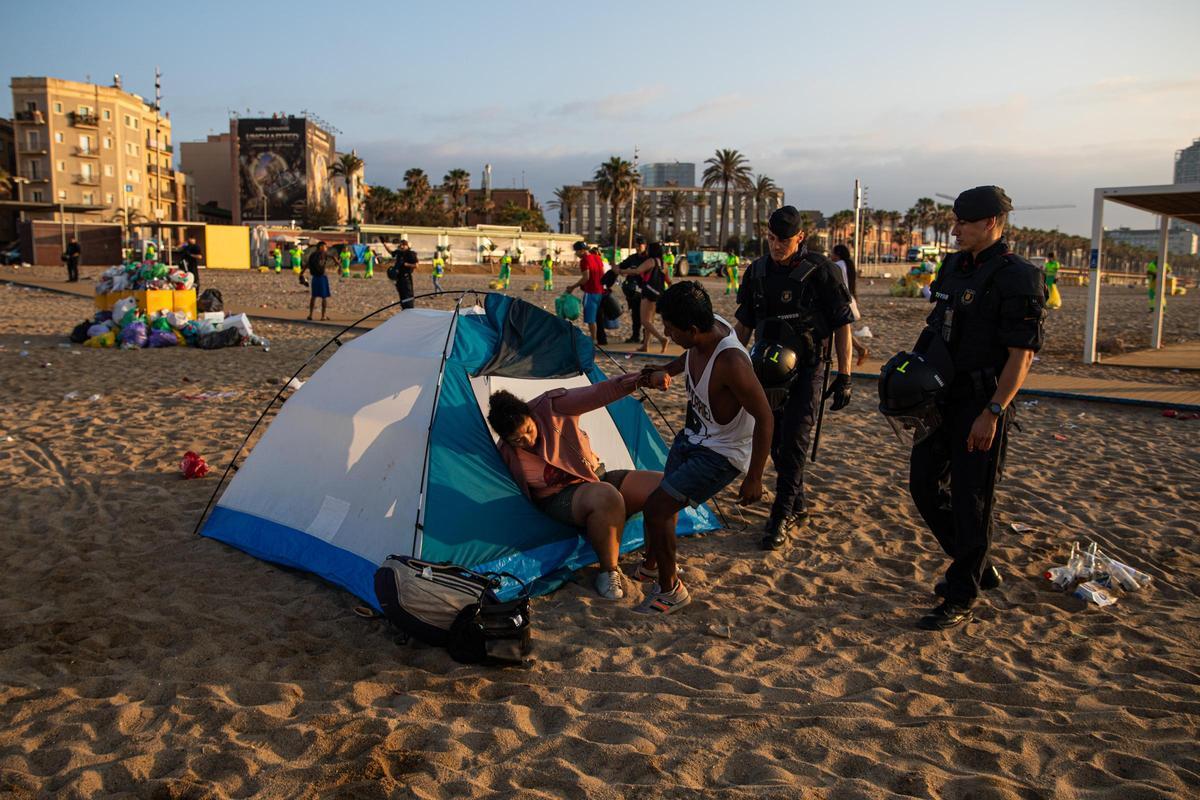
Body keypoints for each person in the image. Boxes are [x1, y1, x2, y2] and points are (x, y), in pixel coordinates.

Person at [900, 185, 1044, 631]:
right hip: (942, 398)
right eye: (955, 220)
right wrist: (909, 379)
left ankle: (961, 592)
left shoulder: (1018, 276)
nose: (955, 229)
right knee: (923, 485)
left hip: (983, 402)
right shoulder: (953, 266)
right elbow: (936, 329)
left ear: (992, 224)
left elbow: (1022, 355)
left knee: (972, 499)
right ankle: (976, 564)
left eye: (964, 222)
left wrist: (994, 412)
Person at [633, 281, 774, 615]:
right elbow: (689, 353)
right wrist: (666, 369)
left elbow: (766, 417)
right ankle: (653, 565)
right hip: (693, 436)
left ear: (693, 329)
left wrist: (755, 477)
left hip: (722, 454)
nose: (666, 333)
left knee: (657, 508)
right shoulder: (708, 330)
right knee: (663, 501)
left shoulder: (732, 363)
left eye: (670, 328)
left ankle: (671, 591)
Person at [734, 206, 855, 550]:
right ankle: (797, 502)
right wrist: (723, 360)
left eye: (783, 240)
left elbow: (842, 325)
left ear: (800, 237)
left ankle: (781, 515)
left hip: (809, 368)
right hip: (766, 371)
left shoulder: (821, 271)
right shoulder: (756, 272)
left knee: (795, 441)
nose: (776, 245)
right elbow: (742, 325)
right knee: (773, 441)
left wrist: (845, 375)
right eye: (771, 238)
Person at [488, 372, 670, 600]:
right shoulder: (504, 454)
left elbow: (598, 393)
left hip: (597, 476)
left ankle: (651, 564)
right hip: (560, 498)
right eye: (517, 440)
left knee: (665, 487)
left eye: (528, 429)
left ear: (530, 415)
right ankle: (608, 571)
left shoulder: (552, 407)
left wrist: (640, 380)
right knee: (605, 495)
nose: (527, 440)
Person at [622, 241, 670, 353]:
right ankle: (645, 346)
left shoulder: (651, 261)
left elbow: (637, 271)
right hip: (658, 293)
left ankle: (662, 339)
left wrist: (622, 271)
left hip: (648, 293)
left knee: (644, 321)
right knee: (650, 321)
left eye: (648, 249)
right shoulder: (664, 263)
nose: (647, 251)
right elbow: (668, 280)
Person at [832, 243, 869, 366]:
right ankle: (860, 349)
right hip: (848, 299)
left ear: (838, 254)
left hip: (841, 301)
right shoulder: (847, 264)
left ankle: (860, 349)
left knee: (839, 329)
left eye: (833, 253)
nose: (831, 256)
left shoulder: (838, 265)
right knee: (841, 329)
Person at [566, 241, 606, 341]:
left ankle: (593, 340)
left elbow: (586, 278)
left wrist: (572, 287)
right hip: (601, 291)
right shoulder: (597, 257)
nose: (576, 254)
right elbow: (602, 273)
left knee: (591, 318)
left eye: (577, 251)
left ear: (582, 251)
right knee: (597, 316)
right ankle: (599, 338)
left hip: (591, 291)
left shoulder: (584, 261)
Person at [617, 237, 648, 343]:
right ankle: (635, 336)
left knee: (645, 317)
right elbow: (620, 266)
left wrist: (628, 271)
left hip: (645, 291)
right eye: (636, 245)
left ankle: (646, 338)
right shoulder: (632, 258)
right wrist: (620, 269)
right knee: (635, 315)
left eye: (640, 245)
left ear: (645, 245)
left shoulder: (648, 259)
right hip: (633, 291)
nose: (638, 247)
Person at [301, 241, 332, 320]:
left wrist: (301, 273)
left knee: (313, 297)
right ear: (321, 247)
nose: (326, 249)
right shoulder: (323, 254)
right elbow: (333, 257)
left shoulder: (312, 255)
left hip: (314, 278)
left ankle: (310, 315)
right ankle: (323, 316)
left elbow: (307, 264)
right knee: (324, 297)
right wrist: (338, 265)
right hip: (322, 277)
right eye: (325, 247)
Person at [390, 239, 419, 309]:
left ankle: (409, 310)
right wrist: (384, 244)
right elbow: (391, 253)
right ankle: (404, 309)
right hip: (399, 279)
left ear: (406, 246)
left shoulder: (410, 254)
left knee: (408, 296)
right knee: (402, 296)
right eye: (400, 245)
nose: (401, 247)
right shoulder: (399, 253)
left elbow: (416, 265)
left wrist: (407, 264)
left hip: (406, 279)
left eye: (403, 245)